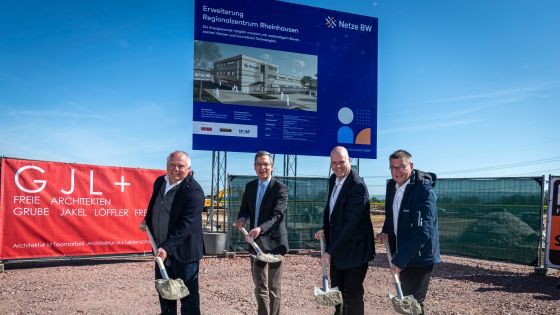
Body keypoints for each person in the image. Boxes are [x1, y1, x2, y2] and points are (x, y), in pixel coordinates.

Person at [139, 151, 205, 315]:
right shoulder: (160, 181)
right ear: (166, 166)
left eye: (181, 166)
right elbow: (154, 203)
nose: (176, 169)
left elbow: (187, 224)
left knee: (187, 297)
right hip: (162, 250)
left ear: (188, 168)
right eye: (172, 165)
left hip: (184, 254)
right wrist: (147, 219)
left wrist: (167, 247)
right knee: (165, 293)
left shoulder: (194, 191)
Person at [377, 149, 440, 315]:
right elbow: (392, 215)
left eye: (401, 166)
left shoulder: (423, 191)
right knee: (406, 303)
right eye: (393, 167)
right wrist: (386, 231)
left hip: (419, 257)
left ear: (411, 166)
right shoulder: (392, 186)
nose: (397, 171)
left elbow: (423, 231)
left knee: (413, 304)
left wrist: (400, 260)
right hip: (403, 254)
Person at [314, 146, 375, 315]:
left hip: (355, 251)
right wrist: (326, 229)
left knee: (352, 295)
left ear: (350, 161)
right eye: (334, 163)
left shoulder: (357, 185)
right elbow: (335, 212)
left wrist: (329, 251)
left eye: (341, 162)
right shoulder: (334, 179)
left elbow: (351, 224)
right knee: (337, 292)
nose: (338, 166)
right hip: (340, 249)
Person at [235, 151, 289, 315]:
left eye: (266, 164)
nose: (262, 167)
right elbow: (244, 209)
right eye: (259, 164)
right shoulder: (250, 186)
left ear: (272, 167)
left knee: (273, 287)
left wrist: (260, 229)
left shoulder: (280, 188)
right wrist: (242, 218)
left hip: (274, 244)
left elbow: (277, 216)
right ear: (254, 167)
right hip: (255, 243)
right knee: (260, 286)